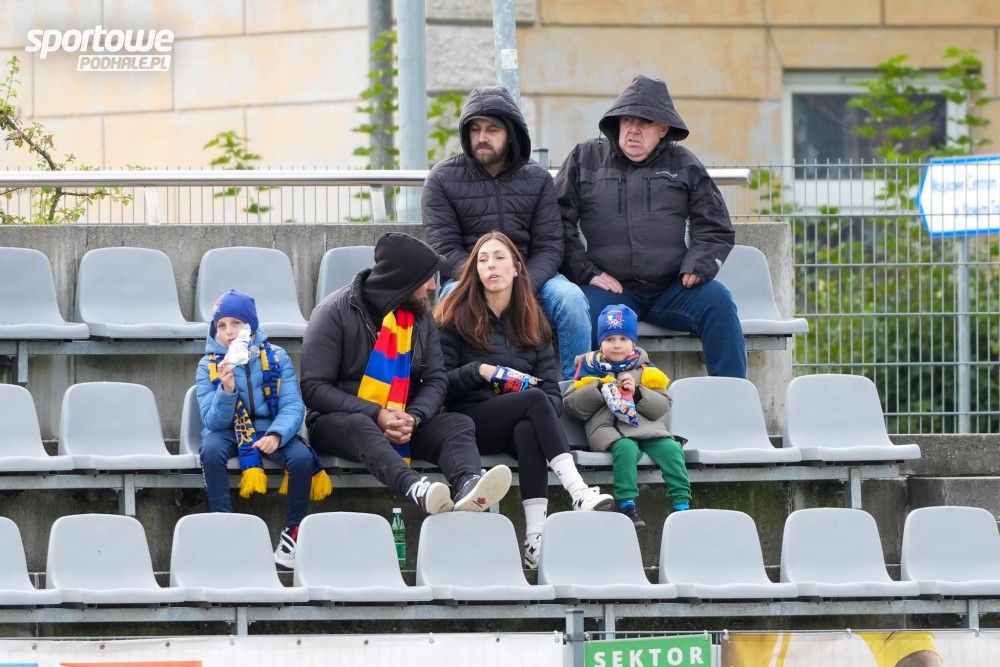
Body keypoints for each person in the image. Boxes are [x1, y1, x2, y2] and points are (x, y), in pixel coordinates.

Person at [435, 231, 613, 569]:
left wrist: (523, 390)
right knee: (532, 400)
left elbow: (551, 394)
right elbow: (439, 385)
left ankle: (535, 539)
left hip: (517, 420)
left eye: (499, 257)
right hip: (469, 422)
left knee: (529, 428)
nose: (491, 265)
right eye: (483, 260)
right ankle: (577, 490)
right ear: (475, 271)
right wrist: (480, 371)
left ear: (517, 268)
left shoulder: (534, 321)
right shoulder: (454, 315)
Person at [300, 232, 511, 515]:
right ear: (403, 280)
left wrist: (414, 416)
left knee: (457, 423)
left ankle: (469, 485)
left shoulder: (421, 317)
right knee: (361, 425)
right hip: (340, 423)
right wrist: (376, 413)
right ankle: (416, 488)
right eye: (427, 279)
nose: (433, 286)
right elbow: (314, 388)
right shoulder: (333, 312)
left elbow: (436, 379)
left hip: (403, 419)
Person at [555, 74, 747, 378]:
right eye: (627, 120)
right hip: (610, 292)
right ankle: (591, 401)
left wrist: (698, 265)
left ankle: (732, 396)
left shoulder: (684, 163)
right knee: (581, 312)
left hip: (672, 291)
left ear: (663, 129)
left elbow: (714, 226)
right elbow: (556, 222)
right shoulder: (585, 157)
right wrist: (586, 272)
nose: (633, 130)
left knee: (718, 301)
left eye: (644, 122)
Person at [422, 85, 591, 380]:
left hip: (530, 277)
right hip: (467, 278)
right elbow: (444, 249)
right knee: (447, 306)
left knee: (572, 300)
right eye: (475, 129)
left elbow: (550, 245)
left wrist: (520, 284)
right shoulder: (442, 178)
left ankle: (577, 392)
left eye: (492, 129)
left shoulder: (537, 178)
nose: (482, 137)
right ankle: (445, 389)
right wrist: (484, 278)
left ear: (510, 133)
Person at [195, 289, 332, 570]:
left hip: (270, 427)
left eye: (236, 323)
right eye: (221, 325)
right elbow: (212, 422)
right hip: (228, 430)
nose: (228, 331)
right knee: (210, 451)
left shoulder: (277, 357)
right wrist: (226, 389)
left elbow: (293, 405)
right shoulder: (208, 365)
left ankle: (291, 537)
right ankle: (225, 530)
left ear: (251, 325)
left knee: (302, 458)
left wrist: (277, 434)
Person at [563, 304, 691, 527]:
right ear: (600, 343)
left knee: (671, 448)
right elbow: (572, 406)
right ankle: (627, 504)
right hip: (608, 431)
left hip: (646, 428)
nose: (617, 345)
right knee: (626, 449)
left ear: (633, 343)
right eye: (610, 339)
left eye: (623, 339)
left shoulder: (647, 371)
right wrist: (598, 389)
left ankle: (682, 504)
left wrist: (638, 393)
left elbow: (663, 404)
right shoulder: (589, 370)